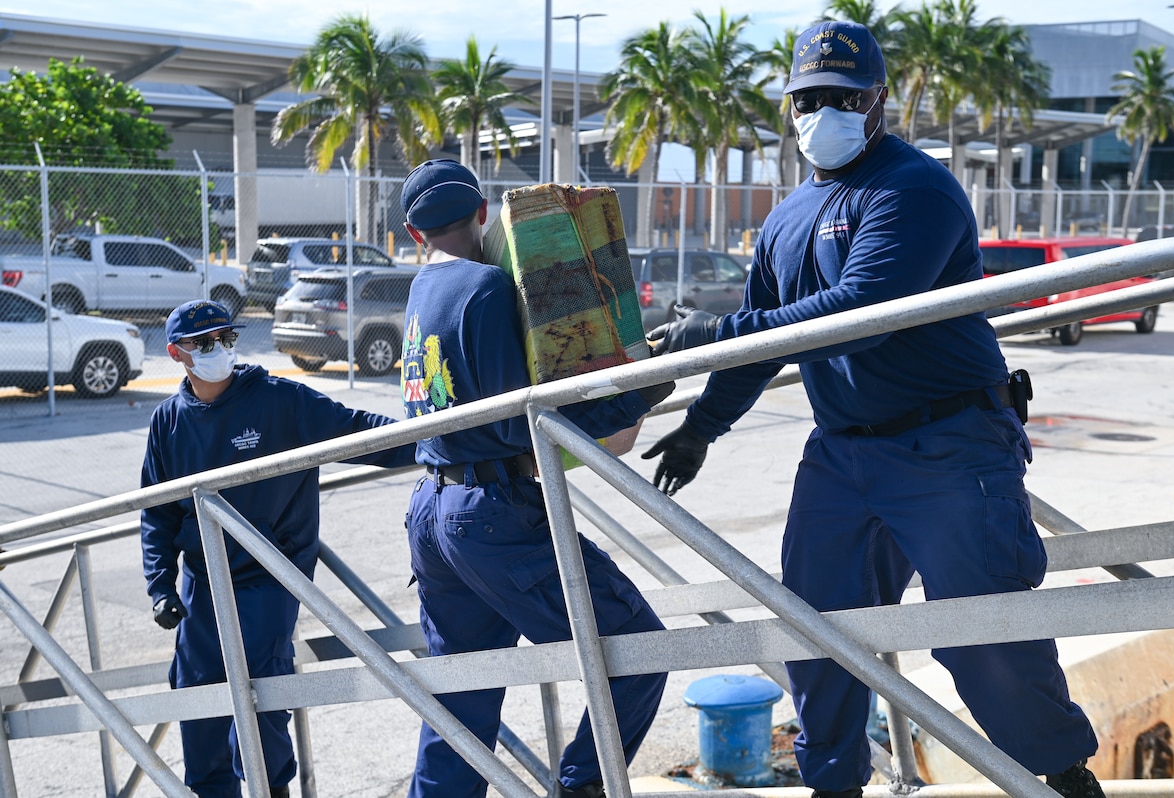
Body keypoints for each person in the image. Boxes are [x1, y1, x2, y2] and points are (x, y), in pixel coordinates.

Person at [643, 20, 1105, 798]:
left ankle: (1061, 777)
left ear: (880, 99)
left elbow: (865, 307)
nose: (823, 112)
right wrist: (699, 430)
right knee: (818, 634)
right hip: (841, 456)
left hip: (949, 443)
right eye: (808, 98)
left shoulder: (913, 189)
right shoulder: (785, 219)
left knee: (982, 635)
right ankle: (835, 786)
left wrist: (712, 329)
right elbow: (761, 344)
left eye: (843, 97)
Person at [398, 159, 672, 798]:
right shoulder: (487, 289)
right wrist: (640, 391)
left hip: (433, 510)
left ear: (414, 235)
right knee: (638, 651)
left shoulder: (418, 292)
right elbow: (522, 422)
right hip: (493, 512)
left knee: (460, 692)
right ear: (483, 215)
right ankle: (580, 787)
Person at [141, 298, 415, 798]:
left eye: (226, 339)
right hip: (204, 581)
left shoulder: (278, 401)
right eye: (204, 344)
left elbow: (357, 431)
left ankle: (271, 791)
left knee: (262, 695)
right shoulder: (168, 423)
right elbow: (157, 512)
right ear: (176, 353)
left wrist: (431, 440)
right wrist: (160, 585)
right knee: (197, 698)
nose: (218, 350)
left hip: (269, 575)